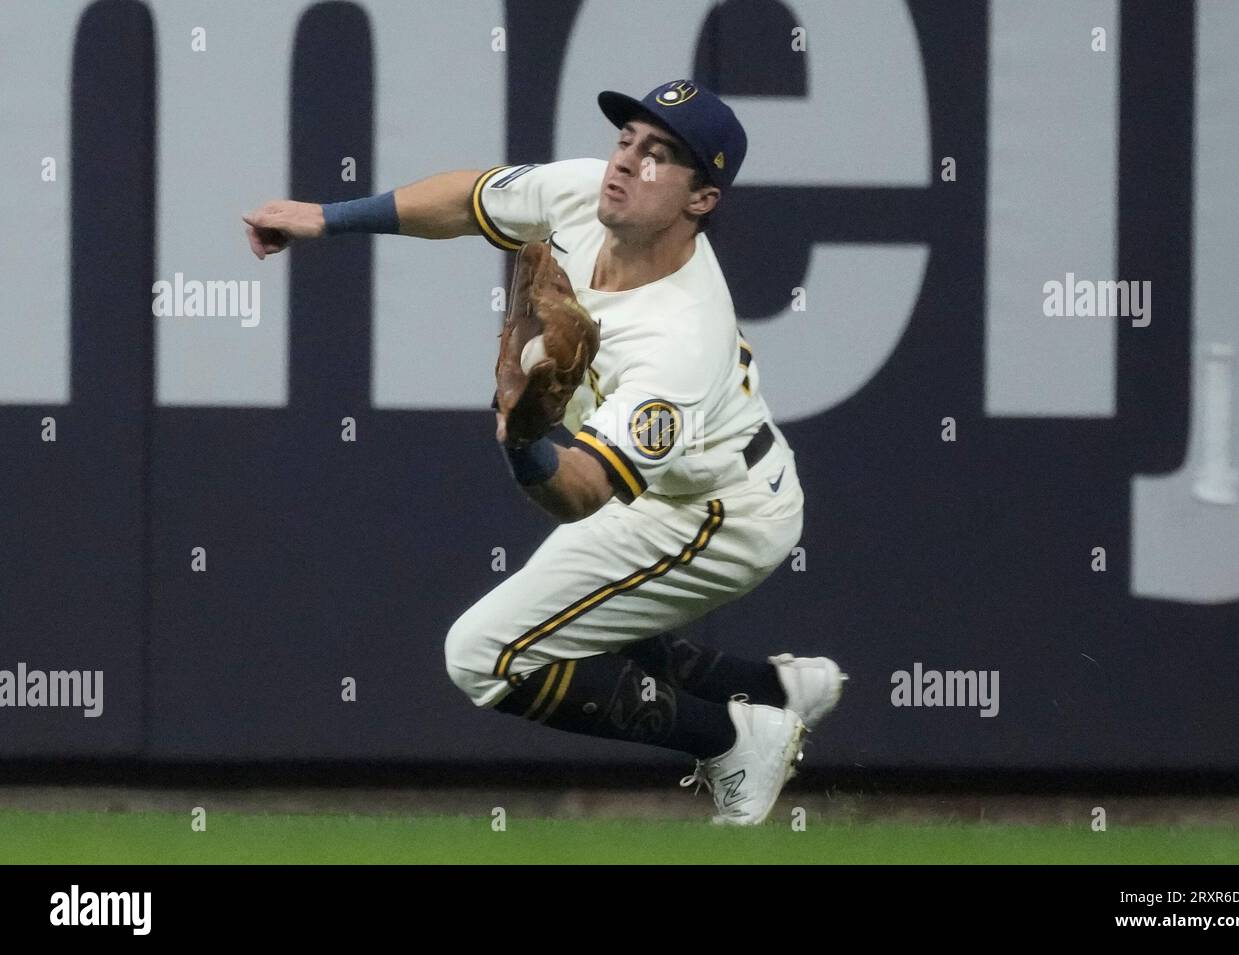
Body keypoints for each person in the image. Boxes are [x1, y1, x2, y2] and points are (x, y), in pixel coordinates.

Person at [243, 79, 845, 825]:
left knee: (483, 655)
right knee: (569, 615)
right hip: (666, 487)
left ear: (702, 200)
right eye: (626, 138)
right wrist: (325, 219)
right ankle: (774, 688)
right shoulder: (587, 195)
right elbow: (470, 199)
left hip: (721, 514)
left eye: (659, 155)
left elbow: (585, 487)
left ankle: (732, 735)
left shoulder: (680, 339)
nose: (626, 162)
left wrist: (524, 441)